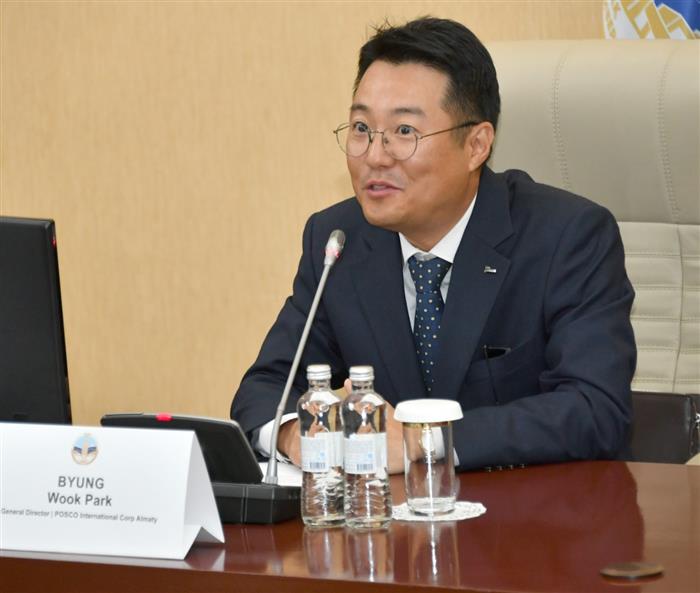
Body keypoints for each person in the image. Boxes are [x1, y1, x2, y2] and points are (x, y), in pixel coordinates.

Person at [230, 17, 636, 472]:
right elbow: (266, 387)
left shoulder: (568, 237)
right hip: (395, 515)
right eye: (361, 128)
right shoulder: (339, 241)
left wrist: (424, 442)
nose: (374, 156)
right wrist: (297, 433)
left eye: (405, 131)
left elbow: (594, 408)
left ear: (476, 145)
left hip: (533, 510)